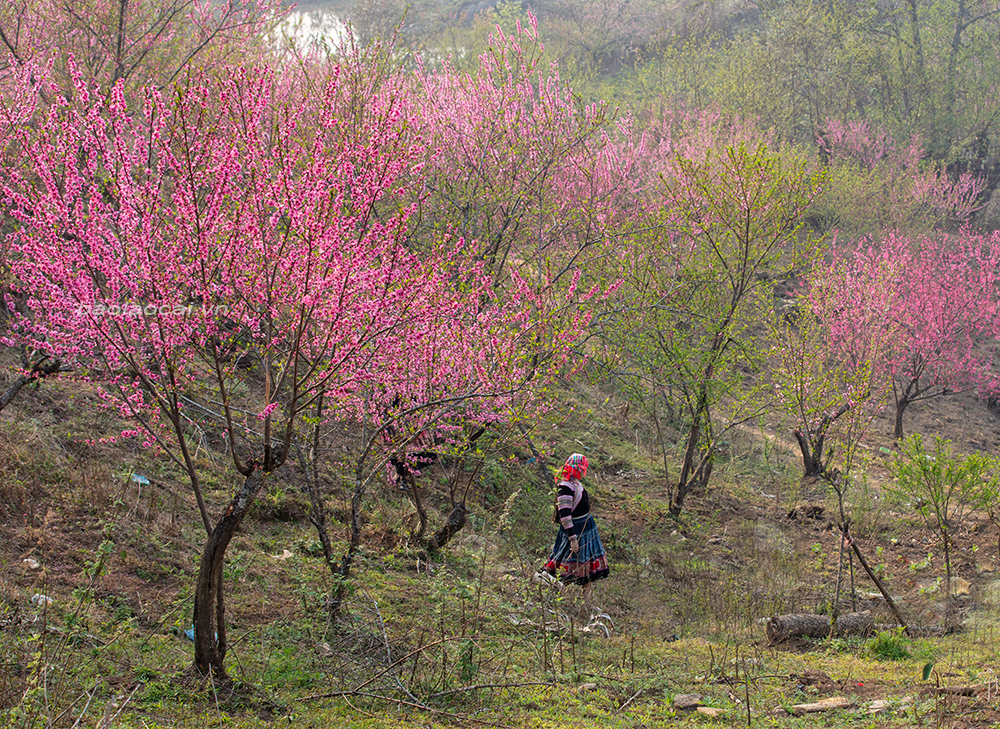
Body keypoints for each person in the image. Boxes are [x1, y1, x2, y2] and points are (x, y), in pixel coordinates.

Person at [543, 453, 610, 601]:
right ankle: (561, 600)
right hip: (575, 531)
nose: (582, 471)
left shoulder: (575, 483)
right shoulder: (565, 487)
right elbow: (565, 515)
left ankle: (585, 604)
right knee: (567, 568)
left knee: (586, 571)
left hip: (586, 530)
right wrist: (573, 538)